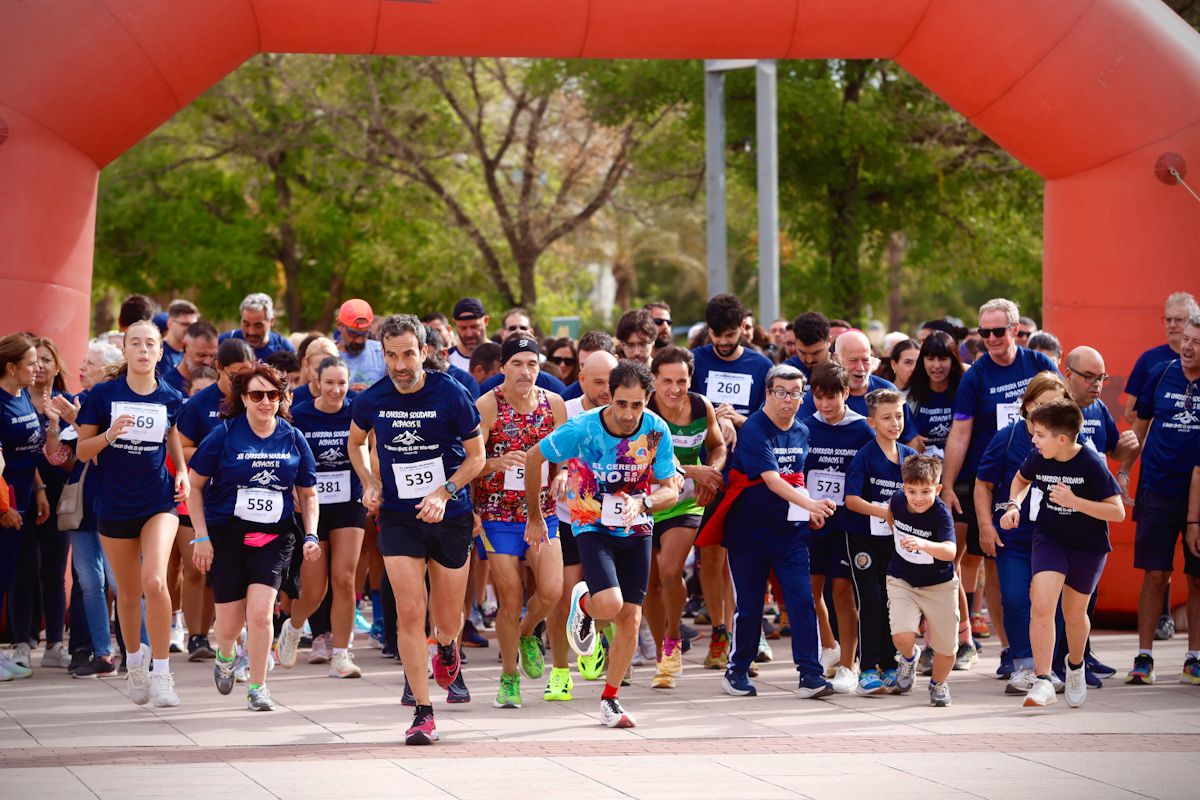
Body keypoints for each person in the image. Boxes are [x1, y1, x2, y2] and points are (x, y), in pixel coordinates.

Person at [348, 314, 485, 746]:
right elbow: (355, 442)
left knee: (446, 617)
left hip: (449, 514)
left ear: (424, 351)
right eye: (391, 355)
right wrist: (370, 482)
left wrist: (445, 492)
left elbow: (477, 456)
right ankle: (423, 713)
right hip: (399, 517)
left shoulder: (451, 393)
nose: (400, 364)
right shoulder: (373, 398)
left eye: (408, 353)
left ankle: (446, 645)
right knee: (410, 610)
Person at [527, 360, 680, 729]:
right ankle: (584, 602)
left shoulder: (657, 430)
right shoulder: (584, 427)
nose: (628, 414)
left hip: (636, 525)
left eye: (637, 405)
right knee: (609, 605)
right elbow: (536, 456)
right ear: (610, 397)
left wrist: (642, 502)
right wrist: (534, 514)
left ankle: (610, 698)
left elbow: (671, 489)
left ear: (649, 400)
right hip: (590, 523)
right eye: (621, 404)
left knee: (631, 615)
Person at [189, 362, 321, 711]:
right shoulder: (225, 434)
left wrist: (311, 534)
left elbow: (308, 493)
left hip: (275, 537)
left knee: (261, 614)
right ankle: (226, 653)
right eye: (257, 395)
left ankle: (258, 687)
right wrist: (201, 536)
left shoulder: (293, 437)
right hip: (228, 536)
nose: (265, 401)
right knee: (229, 626)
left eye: (272, 394)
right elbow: (195, 487)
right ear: (243, 399)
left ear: (283, 398)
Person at [937, 298, 1058, 669]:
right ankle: (1012, 651)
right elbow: (959, 433)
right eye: (983, 332)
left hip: (1043, 476)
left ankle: (1061, 654)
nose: (990, 338)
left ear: (1015, 330)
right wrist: (946, 486)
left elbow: (1066, 415)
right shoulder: (975, 377)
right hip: (993, 479)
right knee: (997, 565)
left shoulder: (1039, 363)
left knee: (1045, 574)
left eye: (997, 331)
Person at [75, 319, 189, 707]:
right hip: (113, 503)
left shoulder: (171, 396)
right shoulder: (104, 394)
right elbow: (81, 451)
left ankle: (162, 673)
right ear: (124, 351)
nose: (143, 350)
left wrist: (184, 473)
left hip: (158, 501)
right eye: (135, 343)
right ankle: (135, 663)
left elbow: (173, 435)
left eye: (150, 344)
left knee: (155, 581)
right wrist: (109, 435)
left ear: (160, 352)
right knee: (127, 591)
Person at [705, 364, 835, 699]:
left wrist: (809, 511)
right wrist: (811, 506)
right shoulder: (755, 430)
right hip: (749, 535)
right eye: (781, 392)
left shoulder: (803, 431)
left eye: (795, 393)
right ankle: (736, 672)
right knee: (750, 607)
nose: (788, 400)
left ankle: (810, 674)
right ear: (768, 393)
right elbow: (772, 479)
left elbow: (796, 478)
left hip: (790, 535)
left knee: (802, 601)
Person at [1000, 399, 1124, 708]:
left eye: (1040, 434)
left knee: (1073, 614)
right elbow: (1020, 479)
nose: (1033, 440)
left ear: (1063, 439)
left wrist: (1075, 501)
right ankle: (1043, 680)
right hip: (1050, 537)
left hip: (1088, 546)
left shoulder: (1091, 463)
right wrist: (1014, 504)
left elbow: (1117, 512)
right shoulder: (1039, 457)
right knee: (1041, 602)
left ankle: (1076, 664)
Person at [474, 336, 567, 708]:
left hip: (542, 514)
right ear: (503, 367)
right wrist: (496, 463)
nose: (525, 371)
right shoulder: (487, 405)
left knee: (551, 591)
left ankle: (529, 632)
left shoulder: (554, 404)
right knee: (510, 599)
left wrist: (561, 476)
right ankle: (509, 678)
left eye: (532, 363)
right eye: (517, 364)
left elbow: (567, 456)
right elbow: (470, 462)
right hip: (498, 514)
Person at [644, 346, 726, 689]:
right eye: (667, 381)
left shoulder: (700, 405)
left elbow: (718, 446)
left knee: (670, 569)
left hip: (686, 503)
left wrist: (712, 471)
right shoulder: (644, 412)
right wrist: (696, 470)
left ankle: (673, 639)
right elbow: (643, 465)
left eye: (682, 380)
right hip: (647, 499)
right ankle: (661, 643)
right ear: (653, 381)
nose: (674, 388)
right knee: (648, 581)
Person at [1126, 312, 1200, 685]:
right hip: (1157, 488)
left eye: (1196, 342)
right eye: (1186, 338)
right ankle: (1144, 656)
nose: (1187, 346)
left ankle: (1194, 657)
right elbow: (1138, 429)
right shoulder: (1160, 373)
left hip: (1198, 500)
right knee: (1156, 574)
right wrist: (1122, 472)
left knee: (1197, 577)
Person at [284, 356, 368, 679]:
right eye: (329, 382)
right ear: (317, 382)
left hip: (349, 501)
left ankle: (341, 654)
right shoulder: (301, 415)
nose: (336, 390)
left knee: (345, 579)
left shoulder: (357, 412)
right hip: (312, 506)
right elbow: (289, 458)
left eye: (342, 383)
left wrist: (372, 482)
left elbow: (369, 448)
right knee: (314, 591)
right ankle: (293, 628)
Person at [544, 349, 619, 700]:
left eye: (610, 381)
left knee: (610, 597)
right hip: (568, 518)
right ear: (582, 381)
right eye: (598, 382)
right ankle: (560, 672)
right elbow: (549, 453)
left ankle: (594, 635)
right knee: (561, 597)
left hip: (612, 521)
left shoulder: (629, 414)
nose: (606, 389)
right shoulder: (568, 411)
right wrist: (559, 474)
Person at [798, 361, 874, 692]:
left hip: (848, 523)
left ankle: (848, 665)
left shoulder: (861, 430)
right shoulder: (803, 427)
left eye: (833, 397)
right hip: (812, 523)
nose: (826, 405)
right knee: (808, 593)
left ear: (847, 393)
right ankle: (829, 646)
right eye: (819, 397)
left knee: (843, 592)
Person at [845, 389, 918, 694]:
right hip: (863, 538)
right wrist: (884, 511)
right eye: (887, 418)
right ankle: (866, 669)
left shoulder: (909, 457)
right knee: (870, 599)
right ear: (872, 422)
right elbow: (851, 499)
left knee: (893, 602)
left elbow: (920, 496)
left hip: (895, 542)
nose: (894, 423)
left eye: (899, 416)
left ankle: (889, 663)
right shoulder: (865, 456)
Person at [12, 337, 73, 669]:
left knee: (53, 570)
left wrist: (54, 424)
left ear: (56, 365)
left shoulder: (69, 403)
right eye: (35, 361)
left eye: (46, 360)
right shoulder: (14, 400)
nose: (40, 367)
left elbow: (70, 460)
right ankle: (21, 642)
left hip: (59, 496)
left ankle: (54, 644)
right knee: (22, 570)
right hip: (22, 495)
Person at [886, 455, 959, 706]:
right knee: (902, 635)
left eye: (926, 491)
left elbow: (950, 551)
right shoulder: (897, 501)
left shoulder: (941, 515)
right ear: (903, 487)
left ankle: (938, 684)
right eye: (911, 490)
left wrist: (924, 544)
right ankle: (908, 659)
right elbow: (890, 517)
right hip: (902, 578)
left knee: (947, 648)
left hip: (939, 584)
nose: (918, 498)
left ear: (937, 489)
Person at [0, 333, 50, 676]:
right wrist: (3, 508)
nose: (37, 368)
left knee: (7, 576)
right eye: (30, 363)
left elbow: (29, 450)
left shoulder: (22, 398)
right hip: (6, 506)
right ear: (10, 367)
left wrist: (40, 488)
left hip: (25, 500)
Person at [796, 331, 918, 445]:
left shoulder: (887, 390)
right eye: (853, 360)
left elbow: (911, 440)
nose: (860, 368)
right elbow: (799, 435)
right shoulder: (820, 392)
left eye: (865, 360)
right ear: (836, 359)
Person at [692, 294, 773, 444]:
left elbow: (771, 426)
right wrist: (717, 417)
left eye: (730, 335)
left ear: (742, 326)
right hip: (704, 458)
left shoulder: (763, 367)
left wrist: (736, 418)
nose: (723, 342)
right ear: (708, 329)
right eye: (716, 335)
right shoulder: (694, 361)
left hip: (748, 458)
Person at [1122, 292, 1200, 425]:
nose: (1172, 325)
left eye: (1179, 320)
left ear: (1193, 322)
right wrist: (1167, 429)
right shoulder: (1149, 360)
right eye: (1168, 320)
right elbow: (1131, 413)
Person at [906, 331, 964, 461]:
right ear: (922, 361)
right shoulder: (909, 395)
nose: (936, 365)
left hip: (961, 473)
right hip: (920, 472)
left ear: (953, 361)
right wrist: (908, 437)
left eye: (943, 359)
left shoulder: (965, 390)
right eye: (930, 359)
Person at [218, 293, 295, 360]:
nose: (251, 332)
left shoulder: (284, 348)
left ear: (271, 321)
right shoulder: (224, 342)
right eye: (246, 324)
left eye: (258, 326)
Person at [336, 299, 386, 391]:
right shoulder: (328, 355)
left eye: (364, 334)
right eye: (353, 334)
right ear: (339, 325)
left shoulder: (381, 352)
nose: (359, 341)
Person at [162, 321, 219, 397]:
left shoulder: (220, 385)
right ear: (184, 346)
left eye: (212, 356)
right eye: (202, 355)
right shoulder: (165, 386)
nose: (208, 362)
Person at [561, 331, 616, 401]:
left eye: (597, 364)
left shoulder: (629, 392)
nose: (589, 369)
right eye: (583, 365)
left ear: (615, 360)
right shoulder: (566, 399)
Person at [291, 336, 341, 407]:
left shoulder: (352, 401)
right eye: (318, 370)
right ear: (306, 365)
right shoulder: (294, 398)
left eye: (328, 370)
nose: (323, 375)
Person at [783, 312, 833, 383]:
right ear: (795, 342)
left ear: (829, 341)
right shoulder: (786, 371)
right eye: (802, 353)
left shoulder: (844, 369)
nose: (809, 360)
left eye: (816, 353)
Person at [448, 297, 490, 372]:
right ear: (455, 324)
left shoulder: (502, 356)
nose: (469, 334)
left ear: (486, 321)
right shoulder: (447, 360)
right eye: (463, 328)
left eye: (474, 327)